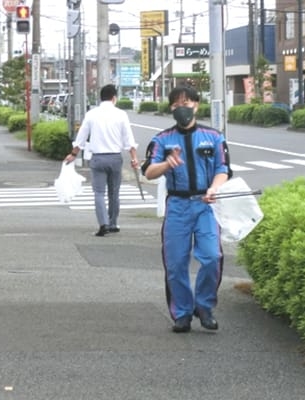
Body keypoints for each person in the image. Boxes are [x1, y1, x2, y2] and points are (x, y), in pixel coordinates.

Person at [142, 86, 231, 333]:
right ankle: (181, 313)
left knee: (212, 256)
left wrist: (214, 188)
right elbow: (148, 171)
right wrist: (167, 164)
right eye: (178, 103)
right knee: (176, 262)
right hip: (178, 206)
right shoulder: (161, 139)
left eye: (189, 102)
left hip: (205, 205)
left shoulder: (214, 137)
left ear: (197, 105)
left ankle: (204, 306)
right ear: (171, 108)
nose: (184, 107)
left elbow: (223, 169)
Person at [65, 84, 139, 236]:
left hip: (98, 159)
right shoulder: (121, 114)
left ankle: (103, 224)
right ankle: (113, 223)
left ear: (101, 98)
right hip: (115, 158)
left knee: (99, 193)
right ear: (114, 98)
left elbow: (82, 136)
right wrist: (134, 158)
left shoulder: (92, 114)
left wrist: (73, 153)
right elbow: (129, 139)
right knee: (114, 193)